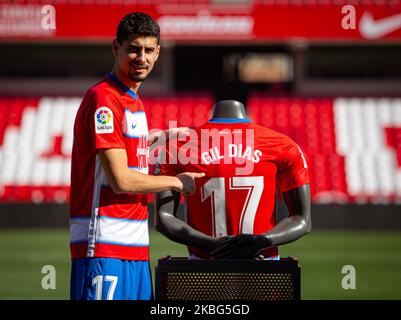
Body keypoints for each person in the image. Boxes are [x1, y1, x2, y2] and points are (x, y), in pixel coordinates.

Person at [69, 12, 204, 300]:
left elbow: (124, 149)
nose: (141, 57)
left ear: (157, 53)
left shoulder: (133, 100)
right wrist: (176, 182)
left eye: (148, 50)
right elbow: (120, 180)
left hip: (135, 247)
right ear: (116, 48)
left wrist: (156, 137)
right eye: (133, 48)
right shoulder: (103, 99)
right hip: (104, 245)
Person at [155, 100, 311, 260]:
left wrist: (216, 245)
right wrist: (261, 241)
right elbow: (301, 220)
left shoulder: (176, 147)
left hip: (204, 269)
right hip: (264, 268)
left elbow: (164, 218)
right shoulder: (283, 145)